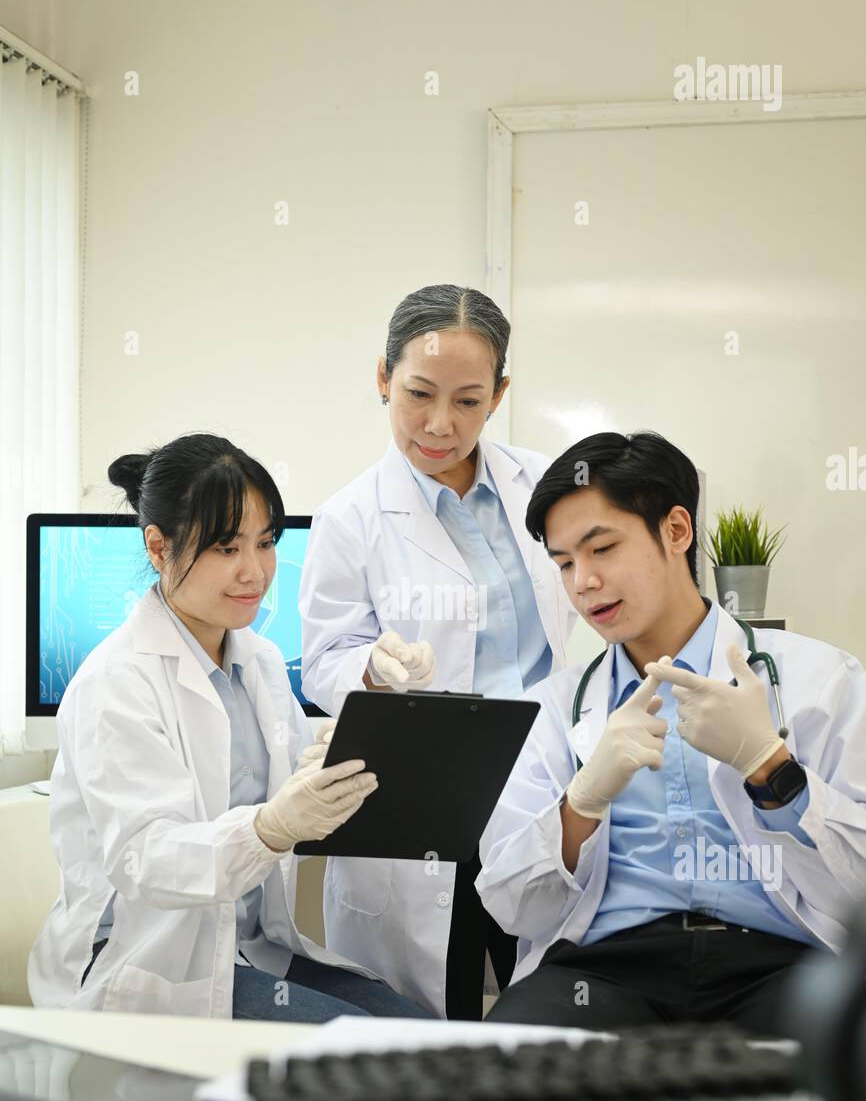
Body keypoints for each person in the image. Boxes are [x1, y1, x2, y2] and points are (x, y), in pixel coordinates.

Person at [28, 433, 433, 1022]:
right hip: (151, 961)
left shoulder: (259, 662)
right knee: (378, 1058)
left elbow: (301, 783)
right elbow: (147, 858)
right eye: (225, 547)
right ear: (159, 547)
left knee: (423, 1033)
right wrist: (268, 829)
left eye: (266, 542)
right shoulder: (115, 682)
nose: (255, 571)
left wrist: (377, 698)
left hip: (249, 949)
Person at [478, 430, 866, 1037]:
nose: (582, 582)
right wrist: (580, 803)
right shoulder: (553, 710)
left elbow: (859, 893)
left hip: (782, 964)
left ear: (677, 530)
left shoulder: (823, 679)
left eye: (601, 548)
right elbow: (510, 903)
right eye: (564, 563)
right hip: (605, 971)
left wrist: (773, 769)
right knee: (502, 1074)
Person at [299, 284, 576, 1018]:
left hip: (539, 785)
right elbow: (324, 656)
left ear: (500, 394)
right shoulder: (349, 518)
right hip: (426, 794)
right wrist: (371, 666)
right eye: (418, 393)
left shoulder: (542, 487)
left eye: (468, 401)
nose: (439, 425)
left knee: (546, 1006)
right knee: (432, 1023)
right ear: (382, 377)